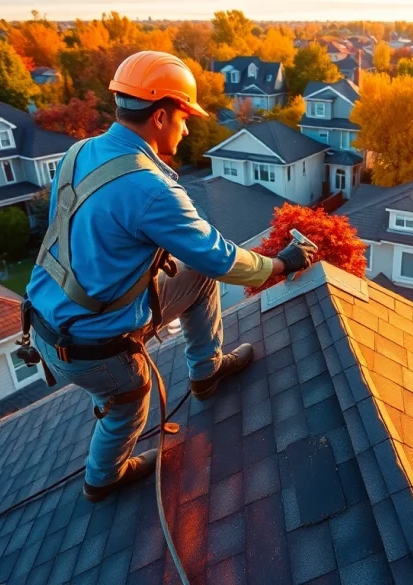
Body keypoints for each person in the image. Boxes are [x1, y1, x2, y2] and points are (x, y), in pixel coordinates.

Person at [24, 51, 317, 502]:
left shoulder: (79, 152)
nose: (187, 129)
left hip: (46, 320)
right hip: (89, 348)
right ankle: (103, 479)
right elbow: (219, 258)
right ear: (160, 116)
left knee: (195, 275)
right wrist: (281, 264)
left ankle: (206, 371)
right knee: (128, 402)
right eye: (183, 118)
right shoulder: (151, 189)